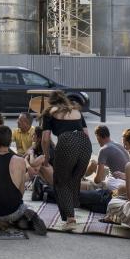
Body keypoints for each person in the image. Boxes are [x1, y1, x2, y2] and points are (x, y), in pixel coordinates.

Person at [0, 125, 46, 235]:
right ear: (10, 141)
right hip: (16, 211)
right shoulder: (21, 161)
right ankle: (17, 220)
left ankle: (1, 224)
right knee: (20, 207)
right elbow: (21, 193)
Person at [41, 90, 92, 230]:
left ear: (51, 101)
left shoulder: (49, 112)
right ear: (65, 100)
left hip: (66, 141)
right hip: (85, 144)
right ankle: (73, 211)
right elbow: (86, 134)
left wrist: (46, 157)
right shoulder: (76, 111)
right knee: (73, 180)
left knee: (60, 181)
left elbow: (45, 139)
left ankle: (70, 220)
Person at [83, 125, 129, 191]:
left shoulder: (104, 149)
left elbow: (98, 180)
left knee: (84, 185)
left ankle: (80, 180)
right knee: (93, 163)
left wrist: (92, 181)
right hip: (126, 177)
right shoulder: (117, 145)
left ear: (98, 136)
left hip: (116, 182)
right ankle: (82, 177)